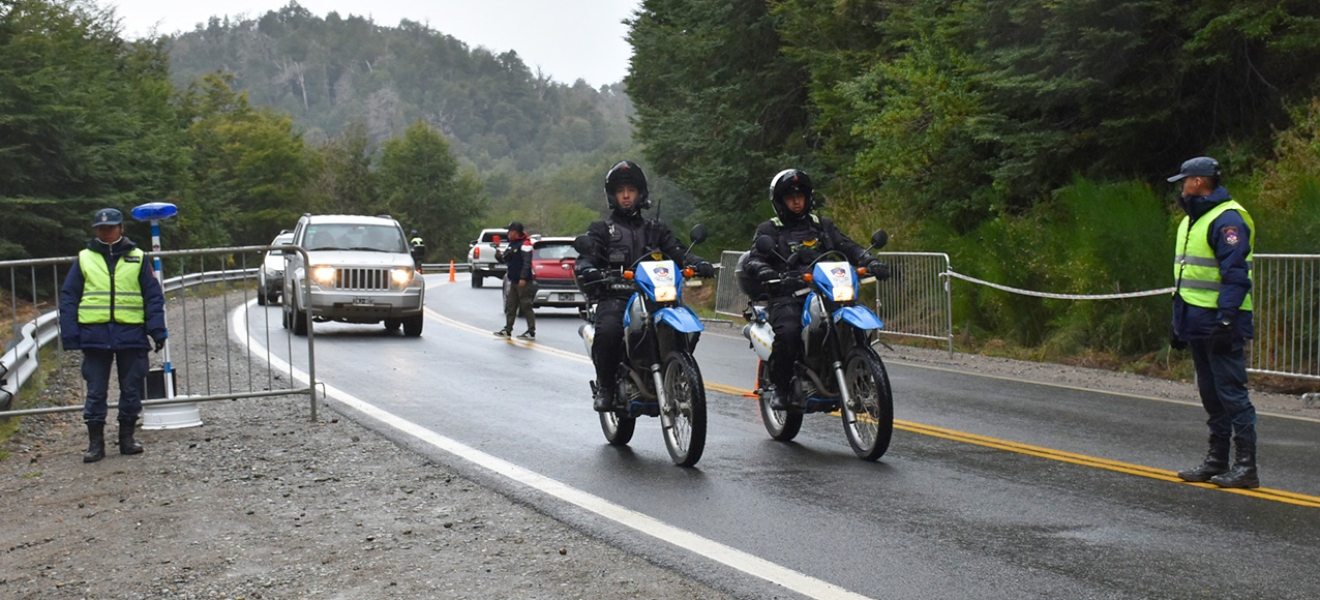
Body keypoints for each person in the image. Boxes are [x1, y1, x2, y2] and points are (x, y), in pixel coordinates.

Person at [741, 169, 890, 410]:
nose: (796, 201)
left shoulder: (823, 226)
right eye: (790, 197)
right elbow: (754, 259)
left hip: (829, 291)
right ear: (781, 201)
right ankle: (781, 387)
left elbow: (850, 248)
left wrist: (871, 262)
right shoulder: (770, 230)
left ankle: (860, 376)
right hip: (790, 294)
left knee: (852, 325)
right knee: (788, 332)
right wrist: (766, 271)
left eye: (800, 195)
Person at [575, 161, 716, 411]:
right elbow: (587, 257)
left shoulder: (656, 229)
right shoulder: (601, 230)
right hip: (618, 296)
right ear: (613, 195)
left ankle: (678, 371)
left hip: (656, 296)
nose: (626, 195)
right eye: (621, 191)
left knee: (689, 326)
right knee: (608, 330)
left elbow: (679, 253)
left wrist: (699, 262)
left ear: (641, 193)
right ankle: (606, 387)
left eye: (631, 189)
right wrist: (588, 268)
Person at [1168, 156, 1259, 489]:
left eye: (1184, 181)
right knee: (1211, 393)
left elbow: (1235, 276)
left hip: (1222, 322)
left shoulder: (1227, 220)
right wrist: (1179, 323)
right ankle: (1217, 460)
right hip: (1197, 320)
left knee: (1232, 393)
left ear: (1197, 182)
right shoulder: (1193, 220)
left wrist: (1225, 320)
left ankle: (1246, 466)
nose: (1182, 187)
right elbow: (1186, 277)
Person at [59, 208, 168, 463]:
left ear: (121, 228)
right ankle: (95, 444)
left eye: (111, 228)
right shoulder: (84, 258)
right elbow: (69, 298)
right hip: (95, 336)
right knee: (96, 391)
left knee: (131, 388)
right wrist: (71, 335)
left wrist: (157, 329)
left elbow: (153, 297)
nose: (106, 232)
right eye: (101, 228)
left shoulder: (139, 258)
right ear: (96, 230)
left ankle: (127, 439)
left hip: (131, 334)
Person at [493, 221, 536, 340]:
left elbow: (527, 263)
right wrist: (497, 252)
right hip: (513, 280)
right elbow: (505, 259)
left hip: (523, 281)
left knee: (526, 305)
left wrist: (523, 277)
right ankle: (507, 329)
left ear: (516, 232)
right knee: (511, 305)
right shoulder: (512, 244)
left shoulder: (525, 244)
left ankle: (531, 331)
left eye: (510, 231)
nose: (508, 233)